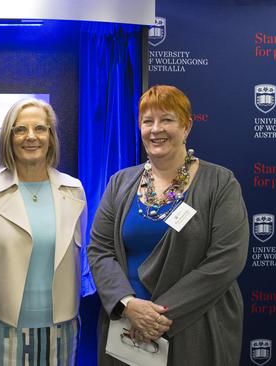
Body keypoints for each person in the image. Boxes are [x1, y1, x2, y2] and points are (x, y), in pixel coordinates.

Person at [88, 85, 249, 365]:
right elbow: (100, 250)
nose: (155, 129)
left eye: (167, 120)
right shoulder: (119, 183)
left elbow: (227, 260)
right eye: (147, 121)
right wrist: (128, 305)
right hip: (127, 329)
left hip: (196, 327)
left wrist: (157, 315)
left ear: (186, 126)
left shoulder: (220, 183)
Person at [0, 98, 89, 365]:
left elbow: (76, 255)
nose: (31, 137)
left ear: (51, 136)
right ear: (8, 138)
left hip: (61, 329)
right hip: (2, 328)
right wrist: (3, 301)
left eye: (40, 128)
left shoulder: (74, 190)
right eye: (20, 129)